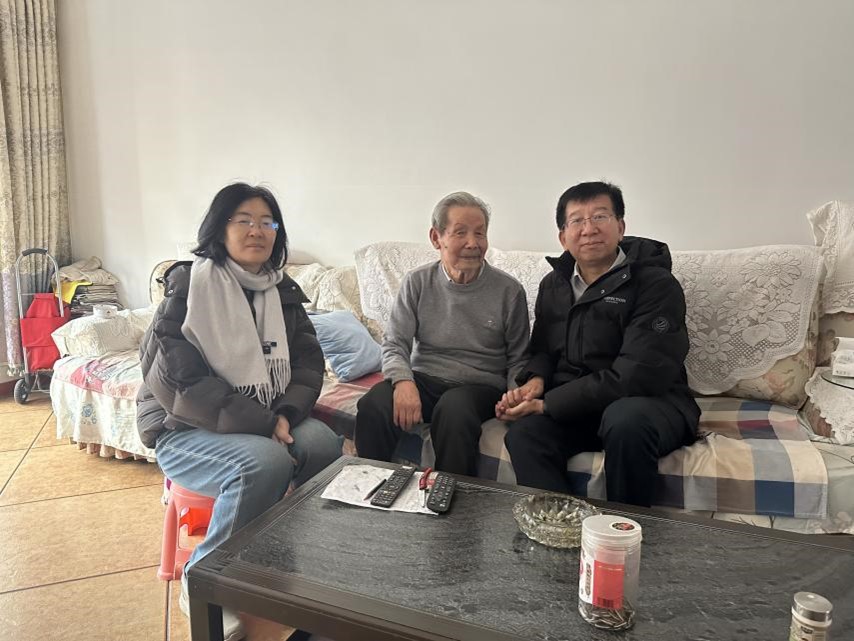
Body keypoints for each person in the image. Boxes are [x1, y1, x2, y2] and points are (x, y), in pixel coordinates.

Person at [137, 183, 342, 641]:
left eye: (267, 222)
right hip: (182, 428)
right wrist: (266, 424)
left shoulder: (281, 291)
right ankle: (205, 579)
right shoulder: (188, 287)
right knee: (263, 462)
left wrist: (284, 413)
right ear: (219, 229)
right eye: (244, 220)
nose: (257, 231)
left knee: (324, 444)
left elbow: (308, 364)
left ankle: (284, 560)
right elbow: (181, 383)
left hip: (269, 417)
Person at [498, 181, 700, 507]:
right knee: (525, 435)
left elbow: (638, 374)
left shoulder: (656, 285)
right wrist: (535, 381)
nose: (589, 229)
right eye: (577, 220)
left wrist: (549, 405)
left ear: (620, 227)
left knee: (625, 421)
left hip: (650, 404)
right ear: (563, 237)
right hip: (581, 408)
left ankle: (625, 529)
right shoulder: (554, 284)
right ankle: (563, 526)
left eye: (600, 217)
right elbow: (544, 350)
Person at [355, 191, 530, 475]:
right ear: (436, 238)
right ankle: (371, 486)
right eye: (460, 232)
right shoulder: (417, 282)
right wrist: (403, 381)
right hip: (425, 379)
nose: (473, 243)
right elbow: (395, 342)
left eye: (480, 233)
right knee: (375, 402)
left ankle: (450, 497)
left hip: (479, 387)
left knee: (454, 409)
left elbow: (519, 358)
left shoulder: (509, 291)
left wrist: (514, 397)